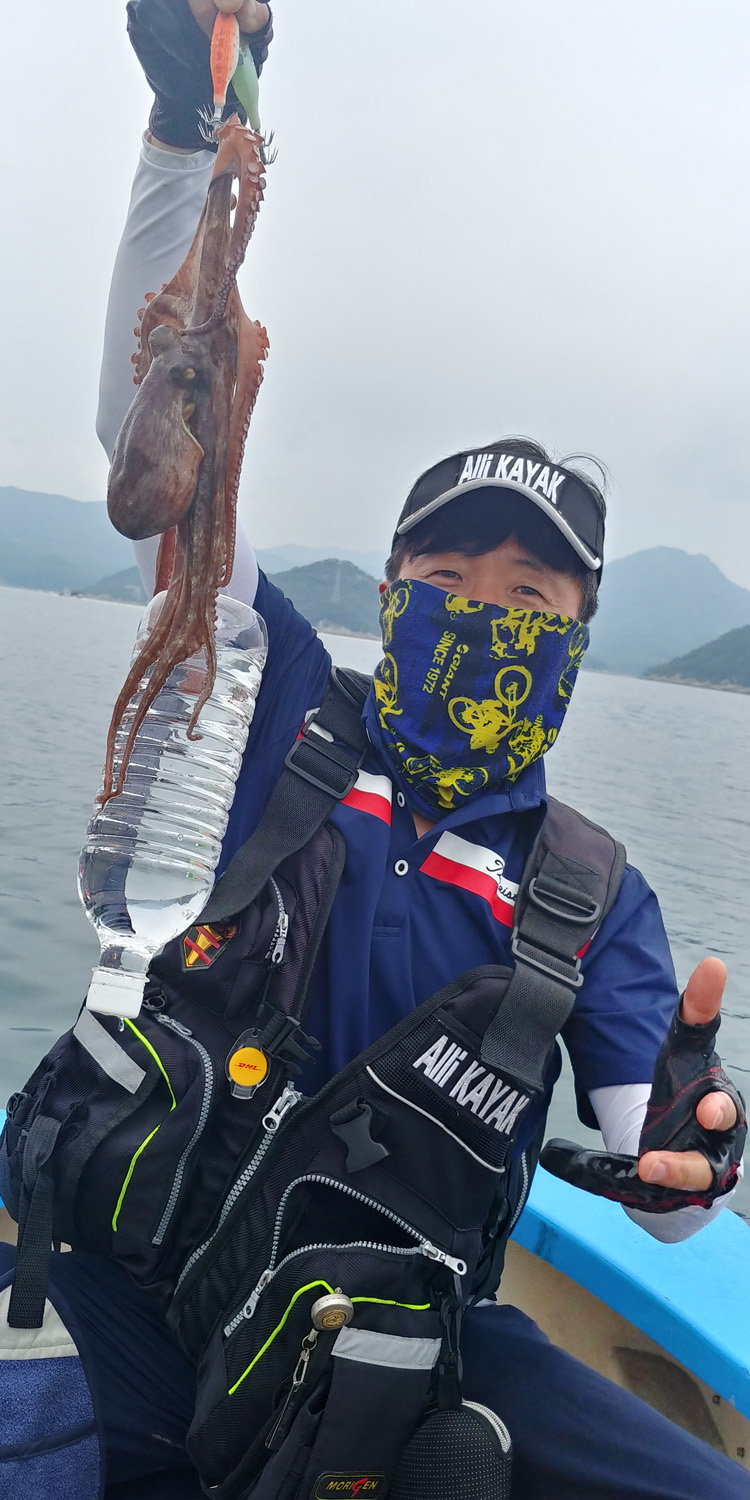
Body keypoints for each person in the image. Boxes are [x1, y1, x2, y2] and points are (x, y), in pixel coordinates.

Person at [1, 3, 746, 1497]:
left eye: (528, 596)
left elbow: (665, 1199)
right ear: (392, 590)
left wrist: (691, 1130)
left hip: (394, 1348)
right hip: (127, 1290)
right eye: (447, 576)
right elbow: (159, 436)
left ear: (579, 635)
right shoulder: (277, 698)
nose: (482, 612)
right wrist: (181, 137)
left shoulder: (592, 896)